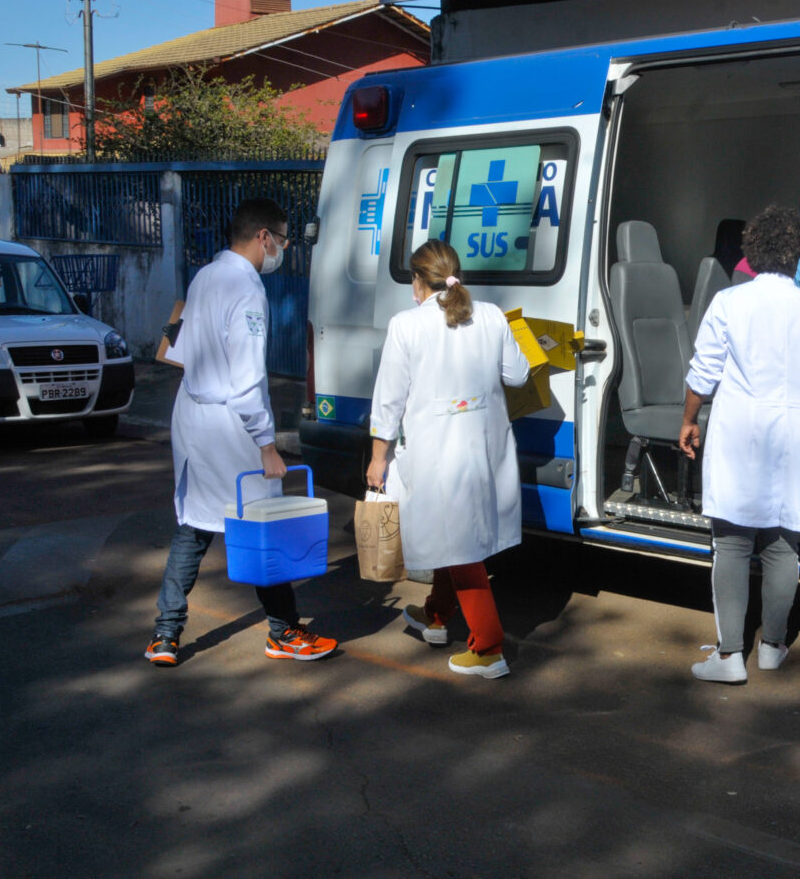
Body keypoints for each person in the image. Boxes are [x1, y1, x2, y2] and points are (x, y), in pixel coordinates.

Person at [145, 199, 338, 667]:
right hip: (230, 425)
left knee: (194, 524)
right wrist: (268, 445)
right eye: (285, 241)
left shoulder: (205, 276)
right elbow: (248, 380)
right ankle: (284, 631)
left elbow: (183, 348)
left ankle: (165, 635)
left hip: (192, 414)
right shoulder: (248, 291)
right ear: (265, 238)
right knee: (261, 525)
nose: (284, 251)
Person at [679, 205, 800, 683]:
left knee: (731, 544)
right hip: (792, 435)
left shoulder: (730, 302)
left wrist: (689, 420)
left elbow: (703, 373)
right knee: (781, 544)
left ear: (751, 252)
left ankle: (729, 657)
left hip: (739, 433)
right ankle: (772, 647)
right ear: (798, 255)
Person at [366, 239, 532, 679]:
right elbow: (518, 374)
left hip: (438, 453)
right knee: (453, 532)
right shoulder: (493, 314)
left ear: (418, 282)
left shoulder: (406, 325)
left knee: (458, 544)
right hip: (484, 444)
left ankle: (489, 648)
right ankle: (436, 615)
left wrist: (377, 459)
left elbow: (388, 402)